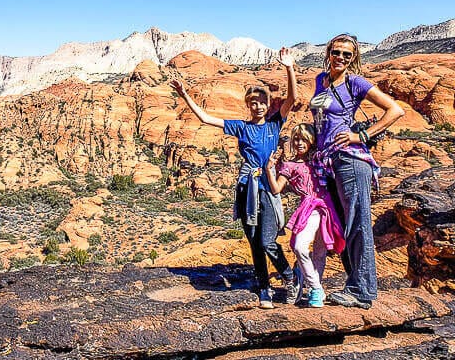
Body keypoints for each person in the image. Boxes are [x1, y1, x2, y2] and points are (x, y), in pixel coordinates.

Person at [170, 47, 298, 309]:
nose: (258, 106)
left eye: (262, 102)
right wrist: (185, 95)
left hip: (269, 188)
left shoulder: (275, 124)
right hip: (246, 188)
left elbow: (292, 99)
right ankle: (264, 288)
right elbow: (206, 118)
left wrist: (289, 67)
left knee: (267, 240)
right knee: (254, 241)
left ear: (267, 103)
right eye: (253, 102)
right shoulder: (241, 126)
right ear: (248, 105)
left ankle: (289, 277)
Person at [309, 33, 404, 309]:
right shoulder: (320, 81)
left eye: (347, 55)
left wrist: (360, 136)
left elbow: (394, 110)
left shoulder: (355, 82)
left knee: (357, 222)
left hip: (351, 160)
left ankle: (362, 291)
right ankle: (354, 284)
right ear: (328, 52)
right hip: (328, 162)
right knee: (341, 224)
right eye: (336, 52)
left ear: (354, 58)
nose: (340, 58)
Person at [265, 123, 345, 308]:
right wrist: (270, 169)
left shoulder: (320, 158)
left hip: (328, 207)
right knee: (301, 247)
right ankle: (316, 288)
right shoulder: (290, 165)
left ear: (311, 141)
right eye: (296, 139)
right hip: (309, 208)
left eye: (303, 139)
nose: (299, 143)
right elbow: (276, 189)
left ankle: (310, 287)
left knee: (320, 251)